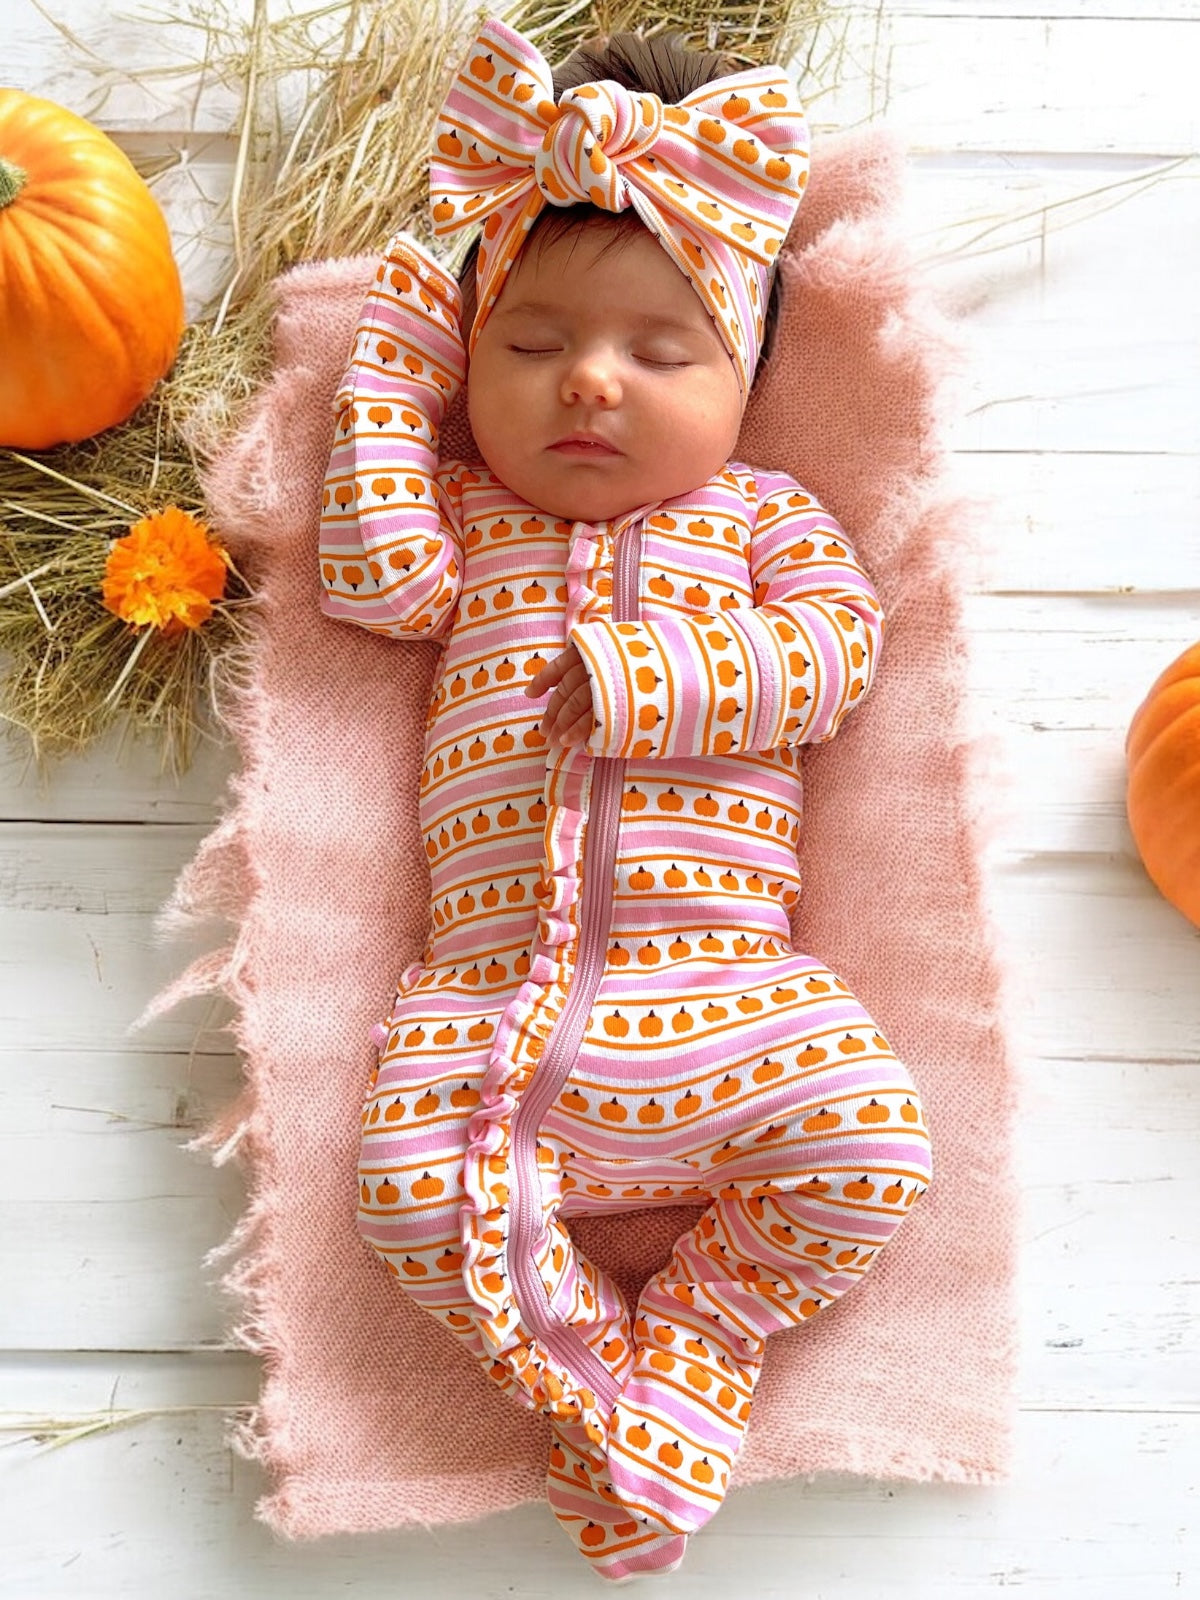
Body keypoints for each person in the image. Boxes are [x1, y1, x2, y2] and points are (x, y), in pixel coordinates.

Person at [318, 15, 932, 1581]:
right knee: (406, 1196)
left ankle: (702, 1341)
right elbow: (371, 575)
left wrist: (654, 677)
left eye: (661, 352)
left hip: (725, 993)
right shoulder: (462, 525)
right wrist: (398, 341)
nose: (589, 382)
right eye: (528, 346)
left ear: (744, 379)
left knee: (871, 1144)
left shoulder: (764, 521)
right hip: (486, 1002)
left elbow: (838, 653)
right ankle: (604, 1387)